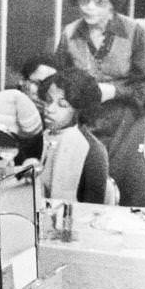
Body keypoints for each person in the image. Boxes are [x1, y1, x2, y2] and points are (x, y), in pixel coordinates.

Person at [56, 0, 145, 208]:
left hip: (131, 127)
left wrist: (111, 91)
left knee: (134, 201)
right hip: (88, 129)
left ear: (114, 2)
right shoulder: (69, 35)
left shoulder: (135, 33)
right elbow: (61, 85)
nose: (89, 7)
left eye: (99, 1)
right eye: (84, 0)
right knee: (89, 198)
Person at [39, 68, 110, 204]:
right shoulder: (42, 136)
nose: (50, 109)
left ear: (80, 110)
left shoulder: (93, 150)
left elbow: (93, 209)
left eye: (62, 105)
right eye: (48, 101)